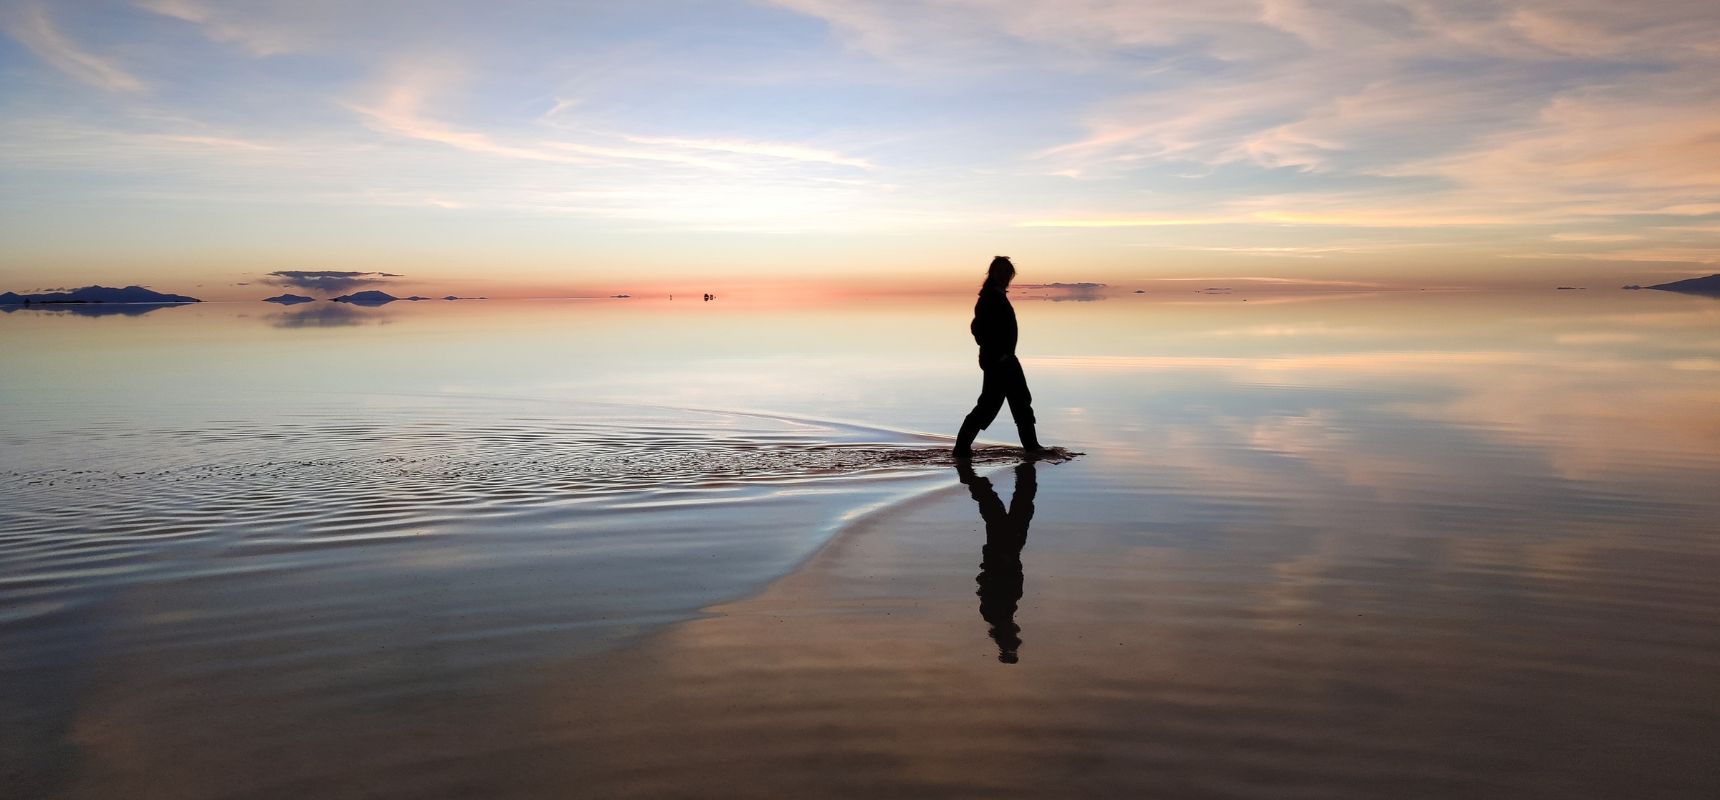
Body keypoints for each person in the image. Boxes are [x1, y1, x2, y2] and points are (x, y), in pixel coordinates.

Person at [953, 256, 1043, 459]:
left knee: (1018, 401)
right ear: (992, 273)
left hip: (1004, 359)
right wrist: (999, 355)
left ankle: (1032, 447)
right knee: (990, 406)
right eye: (1000, 272)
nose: (1004, 276)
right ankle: (960, 450)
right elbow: (977, 328)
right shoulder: (989, 298)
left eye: (1007, 272)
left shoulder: (996, 295)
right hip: (1000, 361)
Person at [957, 460, 1036, 663]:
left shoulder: (995, 613)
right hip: (1008, 551)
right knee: (1013, 505)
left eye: (1014, 638)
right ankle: (975, 476)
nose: (1018, 634)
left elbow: (987, 583)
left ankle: (970, 475)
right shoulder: (1003, 614)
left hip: (1002, 552)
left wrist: (1002, 561)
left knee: (998, 508)